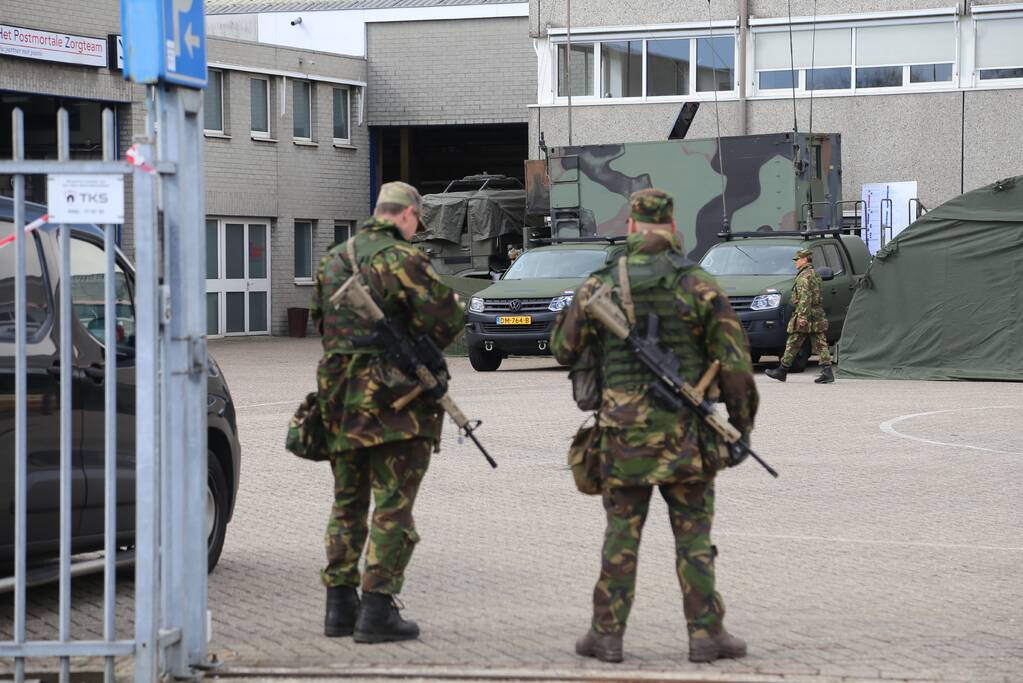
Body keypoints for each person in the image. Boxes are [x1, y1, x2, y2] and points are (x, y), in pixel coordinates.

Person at [549, 189, 759, 664]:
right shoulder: (699, 284)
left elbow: (563, 348)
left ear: (630, 227)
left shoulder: (597, 285)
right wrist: (741, 428)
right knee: (693, 540)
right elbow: (736, 366)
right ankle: (706, 635)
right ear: (672, 226)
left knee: (621, 536)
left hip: (622, 439)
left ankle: (606, 635)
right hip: (687, 438)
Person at [309, 181, 464, 643]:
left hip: (339, 401)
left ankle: (339, 606)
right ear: (408, 215)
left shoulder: (333, 260)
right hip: (395, 405)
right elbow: (448, 320)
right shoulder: (403, 259)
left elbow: (323, 325)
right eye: (417, 222)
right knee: (393, 506)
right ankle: (377, 610)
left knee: (347, 503)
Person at [765, 246, 834, 384]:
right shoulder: (814, 273)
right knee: (818, 342)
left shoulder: (804, 276)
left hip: (806, 313)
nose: (796, 262)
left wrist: (802, 316)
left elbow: (805, 297)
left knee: (795, 341)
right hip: (815, 313)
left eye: (797, 259)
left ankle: (782, 370)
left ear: (804, 259)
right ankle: (826, 371)